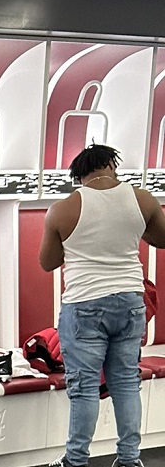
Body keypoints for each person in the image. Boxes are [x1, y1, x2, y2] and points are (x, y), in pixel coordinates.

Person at [39, 144, 165, 467]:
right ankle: (129, 459)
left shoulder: (63, 209)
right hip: (130, 301)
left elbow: (48, 261)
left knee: (83, 387)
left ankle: (76, 459)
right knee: (125, 381)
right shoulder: (142, 199)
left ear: (80, 176)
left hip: (84, 305)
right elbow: (161, 237)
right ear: (112, 165)